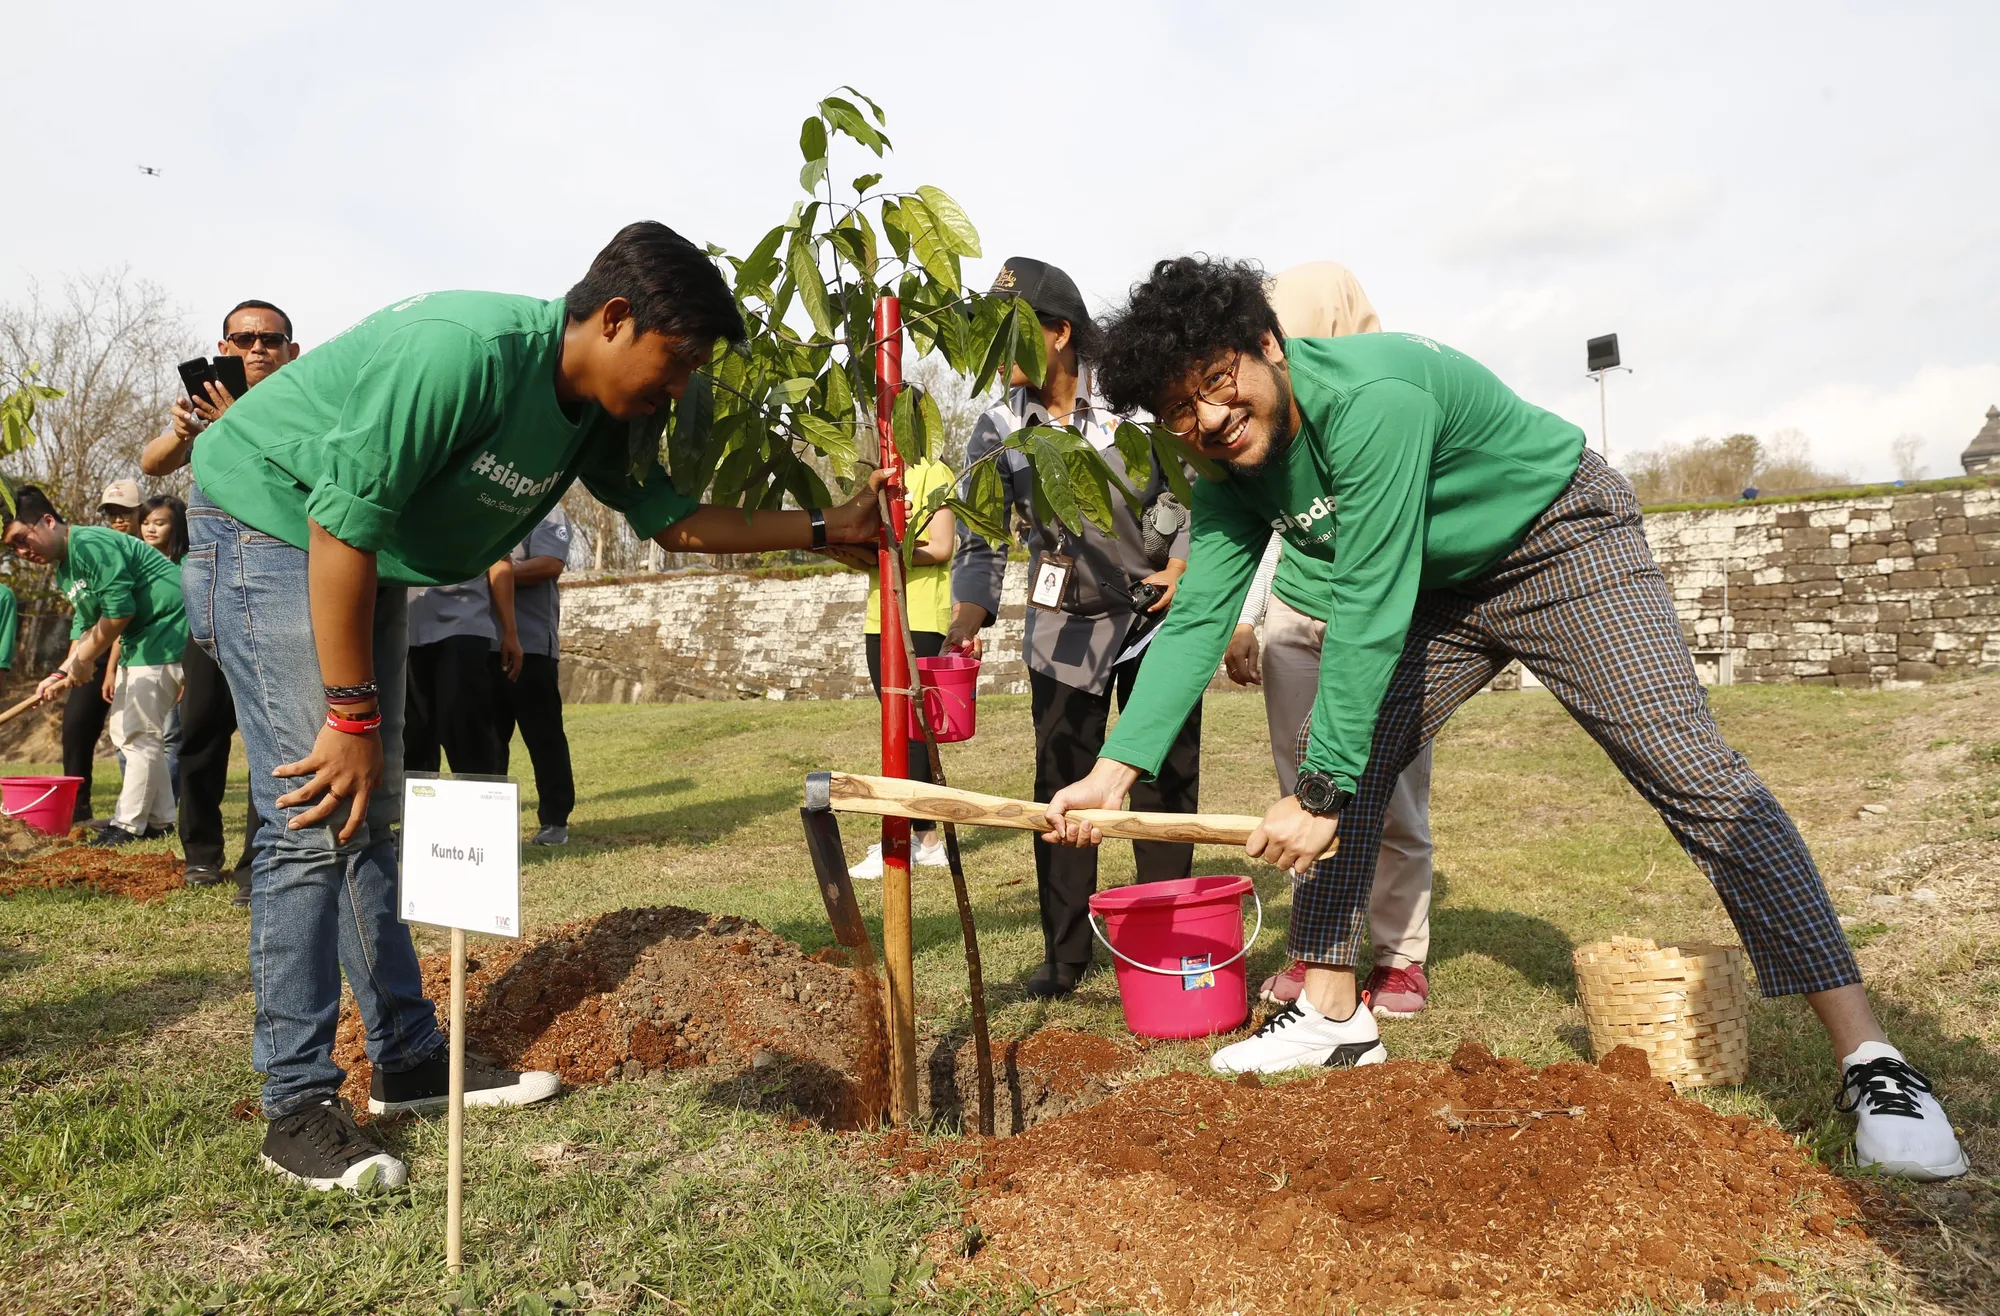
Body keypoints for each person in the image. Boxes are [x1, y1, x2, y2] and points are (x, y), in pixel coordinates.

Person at [1042, 256, 1967, 1181]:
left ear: (1268, 347)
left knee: (1691, 773)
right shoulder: (1227, 467)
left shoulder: (1376, 398)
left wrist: (1320, 788)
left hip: (1557, 541)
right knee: (1344, 765)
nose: (1207, 419)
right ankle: (1330, 1015)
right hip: (1442, 588)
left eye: (1218, 382)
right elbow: (1204, 610)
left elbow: (1366, 602)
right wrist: (1114, 771)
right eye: (1178, 410)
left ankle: (1872, 1060)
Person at [183, 220, 887, 1192]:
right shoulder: (463, 352)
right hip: (267, 521)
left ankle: (407, 1057)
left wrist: (821, 527)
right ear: (612, 316)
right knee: (312, 807)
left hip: (356, 551)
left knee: (369, 808)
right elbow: (336, 520)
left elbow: (670, 521)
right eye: (675, 360)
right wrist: (346, 714)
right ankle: (296, 1101)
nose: (678, 387)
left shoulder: (603, 409)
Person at [947, 257, 1197, 1000]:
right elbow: (980, 537)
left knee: (1163, 781)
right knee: (1059, 789)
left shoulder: (1138, 410)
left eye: (1006, 333)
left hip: (1156, 626)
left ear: (1057, 334)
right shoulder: (996, 429)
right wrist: (969, 616)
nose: (993, 351)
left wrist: (1182, 569)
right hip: (1063, 632)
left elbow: (1197, 496)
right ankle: (1064, 957)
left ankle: (1162, 942)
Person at [1222, 263, 1433, 1018]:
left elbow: (1387, 560)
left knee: (1390, 786)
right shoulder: (1253, 423)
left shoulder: (1378, 404)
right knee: (1302, 788)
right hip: (1296, 611)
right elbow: (1259, 531)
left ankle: (1401, 957)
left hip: (1379, 615)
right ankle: (1318, 947)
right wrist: (1249, 618)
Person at [142, 299, 297, 900]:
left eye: (271, 338)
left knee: (272, 733)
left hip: (278, 587)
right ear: (224, 347)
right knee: (201, 726)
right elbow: (153, 465)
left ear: (292, 350)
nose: (257, 348)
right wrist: (183, 432)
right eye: (242, 339)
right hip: (209, 592)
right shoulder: (206, 409)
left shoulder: (305, 408)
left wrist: (240, 423)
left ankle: (258, 864)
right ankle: (201, 853)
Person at [4, 487, 187, 847]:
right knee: (134, 731)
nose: (23, 552)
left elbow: (119, 612)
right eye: (14, 549)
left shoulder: (90, 544)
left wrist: (82, 661)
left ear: (47, 521)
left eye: (23, 539)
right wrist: (63, 672)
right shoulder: (64, 570)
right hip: (143, 640)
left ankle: (128, 824)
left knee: (134, 733)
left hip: (169, 631)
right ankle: (160, 819)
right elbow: (85, 626)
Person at [824, 459, 956, 878]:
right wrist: (851, 552)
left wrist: (889, 548)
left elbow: (940, 547)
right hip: (879, 618)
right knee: (894, 728)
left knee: (913, 731)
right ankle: (914, 834)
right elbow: (878, 560)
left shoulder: (934, 473)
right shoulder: (878, 476)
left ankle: (923, 839)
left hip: (918, 618)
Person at [488, 508, 578, 847]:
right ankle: (488, 824)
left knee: (544, 737)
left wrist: (497, 574)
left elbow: (549, 564)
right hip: (483, 643)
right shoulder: (483, 505)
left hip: (532, 645)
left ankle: (555, 819)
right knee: (490, 742)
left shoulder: (548, 509)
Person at [57, 479, 144, 826]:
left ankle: (142, 812)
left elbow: (122, 611)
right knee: (76, 725)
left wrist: (105, 666)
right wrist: (68, 666)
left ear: (140, 512)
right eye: (112, 514)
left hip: (136, 652)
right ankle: (77, 810)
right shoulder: (92, 553)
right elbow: (84, 614)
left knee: (135, 736)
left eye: (125, 512)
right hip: (96, 652)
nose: (119, 520)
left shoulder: (142, 551)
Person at [404, 568, 508, 778]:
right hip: (408, 626)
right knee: (413, 736)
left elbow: (500, 563)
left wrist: (510, 630)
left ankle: (480, 805)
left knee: (466, 732)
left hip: (462, 623)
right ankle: (415, 808)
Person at [138, 495, 189, 801]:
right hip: (141, 660)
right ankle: (146, 803)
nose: (150, 530)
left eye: (160, 523)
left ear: (176, 525)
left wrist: (189, 672)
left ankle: (167, 803)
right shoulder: (137, 566)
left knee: (172, 736)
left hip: (180, 661)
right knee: (137, 736)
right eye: (145, 523)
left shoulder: (188, 565)